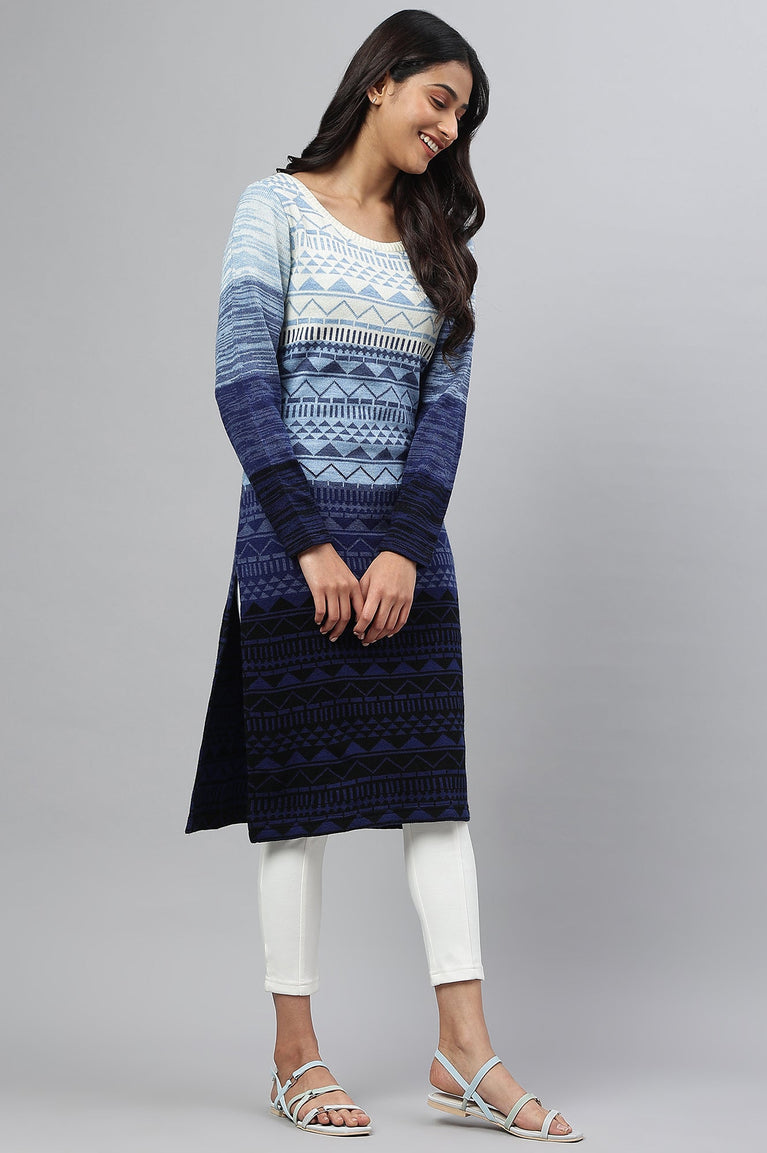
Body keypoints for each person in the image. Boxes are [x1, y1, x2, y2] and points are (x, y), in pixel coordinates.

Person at [185, 8, 582, 1143]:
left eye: (462, 118)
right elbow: (240, 379)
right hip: (291, 545)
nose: (448, 129)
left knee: (435, 799)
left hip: (409, 550)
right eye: (438, 100)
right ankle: (292, 1055)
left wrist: (403, 545)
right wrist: (311, 543)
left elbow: (443, 415)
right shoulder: (273, 209)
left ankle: (463, 1051)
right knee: (294, 806)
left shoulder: (436, 245)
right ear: (380, 83)